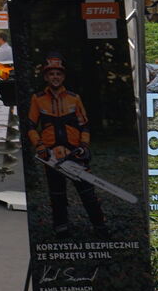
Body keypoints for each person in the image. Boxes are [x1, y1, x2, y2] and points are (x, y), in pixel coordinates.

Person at [26, 53, 108, 239]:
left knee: (88, 193)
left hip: (74, 154)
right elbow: (31, 126)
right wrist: (39, 146)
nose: (55, 77)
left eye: (58, 73)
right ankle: (61, 229)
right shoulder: (37, 99)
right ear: (46, 77)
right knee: (57, 195)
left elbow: (84, 126)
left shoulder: (74, 98)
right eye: (51, 74)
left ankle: (100, 227)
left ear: (63, 76)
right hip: (51, 156)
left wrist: (84, 146)